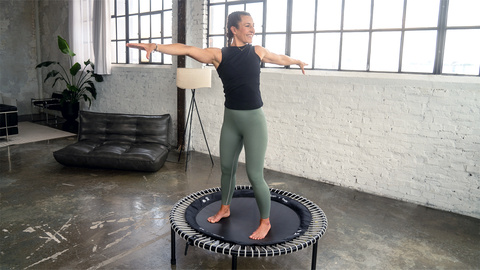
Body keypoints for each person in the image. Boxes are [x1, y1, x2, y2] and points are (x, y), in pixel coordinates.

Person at [127, 11, 306, 240]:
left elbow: (279, 57)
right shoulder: (218, 55)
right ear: (234, 29)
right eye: (248, 26)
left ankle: (265, 222)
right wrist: (155, 46)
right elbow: (187, 49)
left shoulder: (257, 51)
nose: (252, 30)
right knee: (226, 169)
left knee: (254, 173)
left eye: (253, 26)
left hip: (254, 121)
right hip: (231, 119)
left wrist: (296, 60)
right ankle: (225, 207)